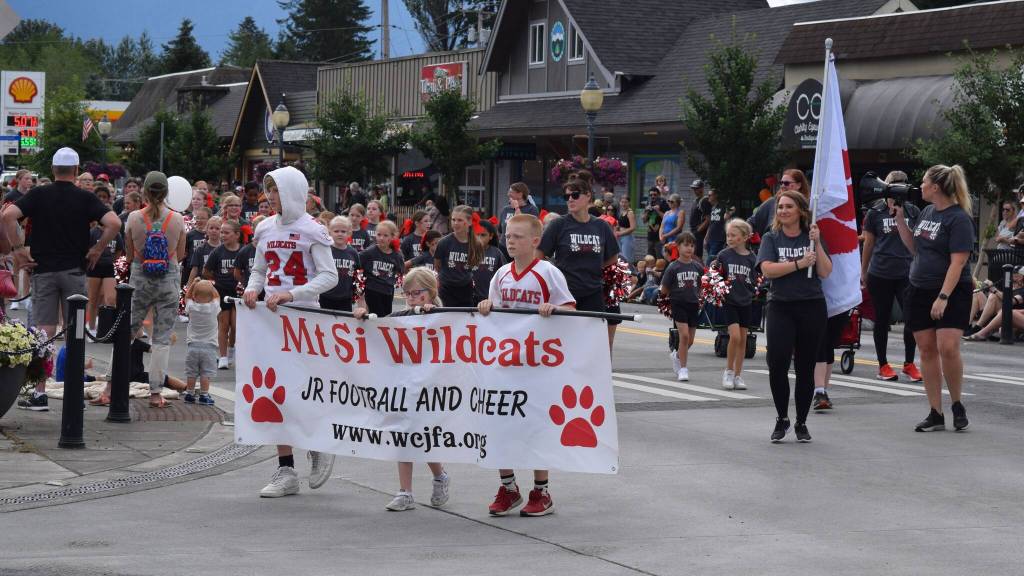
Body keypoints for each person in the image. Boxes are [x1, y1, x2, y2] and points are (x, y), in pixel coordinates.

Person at [243, 166, 338, 498]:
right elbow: (259, 269)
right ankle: (286, 468)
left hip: (302, 320)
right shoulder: (265, 228)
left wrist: (292, 294)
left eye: (276, 190)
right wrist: (253, 290)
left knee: (301, 390)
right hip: (270, 320)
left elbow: (330, 276)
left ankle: (319, 444)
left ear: (294, 192)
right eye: (268, 190)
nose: (270, 197)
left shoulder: (313, 230)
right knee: (273, 393)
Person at [5, 148, 120, 412]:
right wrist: (98, 248)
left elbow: (7, 216)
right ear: (77, 171)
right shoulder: (85, 198)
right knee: (75, 332)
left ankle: (40, 392)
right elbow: (113, 222)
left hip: (43, 270)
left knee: (44, 332)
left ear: (53, 170)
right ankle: (73, 391)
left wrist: (18, 251)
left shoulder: (38, 194)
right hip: (74, 271)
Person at [478, 213, 576, 517]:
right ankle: (508, 487)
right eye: (508, 236)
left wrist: (554, 308)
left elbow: (571, 308)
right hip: (506, 364)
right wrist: (486, 306)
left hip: (538, 365)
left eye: (518, 236)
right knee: (498, 423)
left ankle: (541, 491)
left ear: (535, 241)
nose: (511, 241)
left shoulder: (548, 272)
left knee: (536, 427)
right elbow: (493, 310)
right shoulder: (502, 274)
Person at [352, 268, 451, 511]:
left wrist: (433, 314)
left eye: (417, 293)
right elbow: (380, 327)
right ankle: (405, 491)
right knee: (403, 436)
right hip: (403, 385)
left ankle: (440, 476)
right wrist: (363, 316)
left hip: (429, 387)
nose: (411, 298)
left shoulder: (440, 316)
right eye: (407, 293)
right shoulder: (400, 315)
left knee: (421, 438)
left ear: (430, 293)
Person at [893, 165, 975, 433]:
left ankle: (957, 404)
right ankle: (935, 412)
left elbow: (958, 262)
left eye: (925, 181)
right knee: (927, 350)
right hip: (919, 289)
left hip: (950, 290)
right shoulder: (928, 212)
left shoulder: (959, 219)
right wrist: (901, 221)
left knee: (948, 347)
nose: (921, 185)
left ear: (936, 187)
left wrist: (943, 297)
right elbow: (915, 248)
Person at [756, 189, 832, 443]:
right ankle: (782, 418)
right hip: (781, 306)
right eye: (780, 207)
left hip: (811, 306)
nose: (783, 211)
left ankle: (801, 421)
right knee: (777, 363)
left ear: (800, 210)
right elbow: (768, 270)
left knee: (805, 366)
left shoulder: (812, 237)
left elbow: (825, 271)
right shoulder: (771, 237)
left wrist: (818, 244)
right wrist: (799, 263)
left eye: (789, 206)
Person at [123, 171, 187, 409]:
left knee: (126, 334)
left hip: (140, 279)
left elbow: (129, 256)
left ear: (144, 192)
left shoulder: (133, 218)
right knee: (161, 338)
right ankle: (156, 392)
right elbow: (180, 256)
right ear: (166, 192)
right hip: (168, 279)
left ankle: (111, 386)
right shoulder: (178, 219)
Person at [539, 178, 620, 352]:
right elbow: (538, 256)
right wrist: (553, 273)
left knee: (593, 344)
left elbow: (613, 257)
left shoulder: (601, 226)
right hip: (565, 293)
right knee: (564, 343)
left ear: (588, 196)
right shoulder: (559, 224)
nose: (570, 199)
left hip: (593, 291)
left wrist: (596, 268)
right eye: (566, 196)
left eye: (575, 195)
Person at [860, 170, 923, 383]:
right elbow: (868, 243)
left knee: (912, 318)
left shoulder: (913, 210)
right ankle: (883, 364)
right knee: (882, 319)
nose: (899, 187)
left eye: (903, 184)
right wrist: (863, 272)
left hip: (907, 272)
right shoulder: (875, 212)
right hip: (880, 272)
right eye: (895, 184)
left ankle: (909, 363)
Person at [716, 219, 757, 391]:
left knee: (743, 341)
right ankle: (728, 371)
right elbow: (716, 275)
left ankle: (738, 375)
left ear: (744, 237)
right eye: (728, 235)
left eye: (733, 235)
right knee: (735, 337)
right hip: (729, 301)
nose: (730, 238)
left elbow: (755, 280)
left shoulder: (752, 258)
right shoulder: (724, 255)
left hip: (746, 302)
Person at [661, 232, 704, 382]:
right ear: (678, 247)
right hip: (678, 303)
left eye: (692, 245)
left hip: (693, 304)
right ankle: (683, 369)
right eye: (686, 245)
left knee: (690, 340)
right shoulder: (673, 267)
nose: (689, 248)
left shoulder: (698, 267)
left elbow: (702, 286)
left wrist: (702, 296)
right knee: (684, 336)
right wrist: (663, 298)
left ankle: (677, 355)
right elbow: (664, 288)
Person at [204, 220, 242, 369]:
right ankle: (223, 356)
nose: (223, 235)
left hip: (238, 291)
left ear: (237, 235)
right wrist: (216, 281)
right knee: (223, 324)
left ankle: (232, 348)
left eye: (227, 232)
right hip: (222, 290)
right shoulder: (218, 251)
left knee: (236, 325)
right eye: (222, 232)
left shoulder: (242, 251)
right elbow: (206, 271)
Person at [434, 205, 482, 307]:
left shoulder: (476, 244)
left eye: (460, 220)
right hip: (446, 289)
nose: (455, 223)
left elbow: (475, 266)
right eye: (453, 220)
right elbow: (437, 266)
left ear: (469, 222)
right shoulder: (444, 242)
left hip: (466, 289)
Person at [182, 280, 219, 405]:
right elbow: (217, 296)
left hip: (192, 346)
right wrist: (211, 286)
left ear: (195, 296)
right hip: (209, 347)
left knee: (191, 373)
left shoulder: (191, 307)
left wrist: (193, 284)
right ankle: (204, 395)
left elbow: (187, 296)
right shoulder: (213, 307)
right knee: (205, 373)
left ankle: (190, 394)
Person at [357, 220, 405, 317]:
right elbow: (357, 261)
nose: (381, 238)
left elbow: (401, 270)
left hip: (388, 290)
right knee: (378, 316)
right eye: (379, 235)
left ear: (392, 237)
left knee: (387, 315)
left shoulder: (396, 255)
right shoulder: (370, 251)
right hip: (372, 289)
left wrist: (394, 280)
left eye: (385, 235)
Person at [85, 217, 124, 330]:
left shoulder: (115, 234)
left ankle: (107, 328)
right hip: (94, 268)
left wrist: (111, 259)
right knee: (93, 299)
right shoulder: (93, 232)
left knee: (111, 299)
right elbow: (86, 249)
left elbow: (119, 249)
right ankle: (91, 327)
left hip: (108, 267)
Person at [749, 169, 810, 238]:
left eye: (786, 183)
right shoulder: (772, 202)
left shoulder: (808, 205)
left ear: (799, 185)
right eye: (781, 183)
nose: (783, 186)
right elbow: (751, 222)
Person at [320, 216, 359, 312]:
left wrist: (357, 294)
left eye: (343, 231)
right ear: (330, 232)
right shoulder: (325, 250)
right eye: (336, 231)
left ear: (349, 233)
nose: (340, 234)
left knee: (343, 325)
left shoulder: (353, 252)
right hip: (325, 296)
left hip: (345, 298)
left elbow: (358, 274)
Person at [473, 219, 506, 303]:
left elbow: (504, 275)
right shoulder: (467, 251)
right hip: (469, 298)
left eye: (483, 235)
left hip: (490, 299)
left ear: (491, 236)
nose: (479, 238)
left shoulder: (497, 253)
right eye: (476, 235)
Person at [186, 216, 222, 287]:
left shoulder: (224, 248)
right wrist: (189, 286)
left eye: (217, 228)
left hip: (221, 285)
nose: (214, 231)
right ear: (207, 230)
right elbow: (194, 269)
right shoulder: (200, 249)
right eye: (211, 228)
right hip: (203, 285)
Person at [703, 189, 733, 264]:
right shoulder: (713, 208)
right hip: (710, 238)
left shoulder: (722, 206)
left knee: (710, 260)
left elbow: (731, 210)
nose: (708, 197)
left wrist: (728, 215)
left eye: (710, 195)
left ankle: (707, 274)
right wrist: (706, 237)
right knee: (712, 259)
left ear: (715, 195)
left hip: (718, 238)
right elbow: (711, 223)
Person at [643, 187, 669, 258]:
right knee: (650, 258)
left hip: (660, 236)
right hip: (650, 236)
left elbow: (667, 219)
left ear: (659, 195)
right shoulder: (649, 203)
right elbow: (644, 221)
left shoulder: (664, 203)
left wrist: (657, 210)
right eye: (651, 195)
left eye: (655, 195)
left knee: (660, 258)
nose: (653, 196)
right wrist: (647, 211)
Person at [659, 194, 683, 260]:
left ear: (677, 203)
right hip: (665, 239)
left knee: (673, 258)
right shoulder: (667, 213)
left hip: (674, 240)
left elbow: (679, 228)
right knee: (663, 257)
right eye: (669, 201)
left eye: (672, 201)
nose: (669, 203)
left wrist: (665, 235)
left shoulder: (680, 212)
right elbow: (662, 226)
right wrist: (661, 236)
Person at [689, 180, 708, 259]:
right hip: (693, 231)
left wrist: (699, 230)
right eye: (694, 188)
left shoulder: (704, 201)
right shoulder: (696, 200)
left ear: (702, 189)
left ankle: (701, 270)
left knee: (697, 256)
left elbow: (708, 218)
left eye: (697, 188)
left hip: (699, 233)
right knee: (693, 254)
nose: (695, 190)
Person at [615, 195, 637, 263]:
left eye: (626, 202)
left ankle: (629, 273)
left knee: (626, 258)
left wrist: (620, 233)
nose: (624, 204)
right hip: (620, 237)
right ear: (620, 203)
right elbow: (619, 225)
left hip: (627, 237)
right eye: (622, 202)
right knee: (620, 257)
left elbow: (633, 227)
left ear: (629, 203)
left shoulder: (630, 213)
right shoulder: (621, 212)